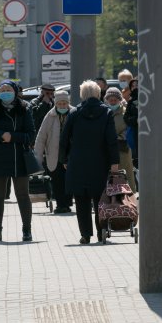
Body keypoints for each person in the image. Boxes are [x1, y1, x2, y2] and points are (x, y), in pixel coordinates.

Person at [59, 80, 119, 244]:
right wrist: (114, 162)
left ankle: (85, 234)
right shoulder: (107, 113)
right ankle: (102, 232)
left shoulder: (74, 113)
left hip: (77, 162)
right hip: (100, 162)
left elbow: (64, 139)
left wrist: (64, 159)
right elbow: (111, 140)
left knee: (81, 200)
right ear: (98, 94)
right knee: (100, 199)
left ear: (82, 95)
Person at [0, 80, 36, 241]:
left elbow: (31, 134)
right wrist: (0, 135)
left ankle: (27, 230)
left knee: (22, 195)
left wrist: (12, 136)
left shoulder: (25, 108)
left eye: (8, 89)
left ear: (14, 91)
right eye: (2, 90)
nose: (5, 92)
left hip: (19, 159)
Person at [34, 90, 75, 213]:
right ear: (56, 104)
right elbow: (41, 137)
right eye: (60, 103)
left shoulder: (74, 113)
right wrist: (38, 158)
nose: (62, 106)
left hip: (70, 155)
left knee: (69, 180)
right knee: (57, 181)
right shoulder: (50, 116)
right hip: (54, 155)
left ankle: (67, 204)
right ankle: (60, 205)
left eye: (64, 103)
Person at [104, 87, 137, 192]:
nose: (113, 102)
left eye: (115, 100)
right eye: (110, 100)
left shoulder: (125, 112)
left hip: (123, 149)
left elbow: (128, 130)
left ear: (119, 100)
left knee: (125, 176)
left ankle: (128, 201)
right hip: (107, 150)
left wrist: (115, 138)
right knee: (109, 178)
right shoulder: (104, 112)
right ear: (107, 100)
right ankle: (111, 202)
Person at [123, 79, 139, 168]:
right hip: (134, 132)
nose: (135, 87)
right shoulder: (131, 100)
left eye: (137, 85)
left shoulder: (148, 99)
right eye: (133, 86)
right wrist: (135, 119)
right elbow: (126, 117)